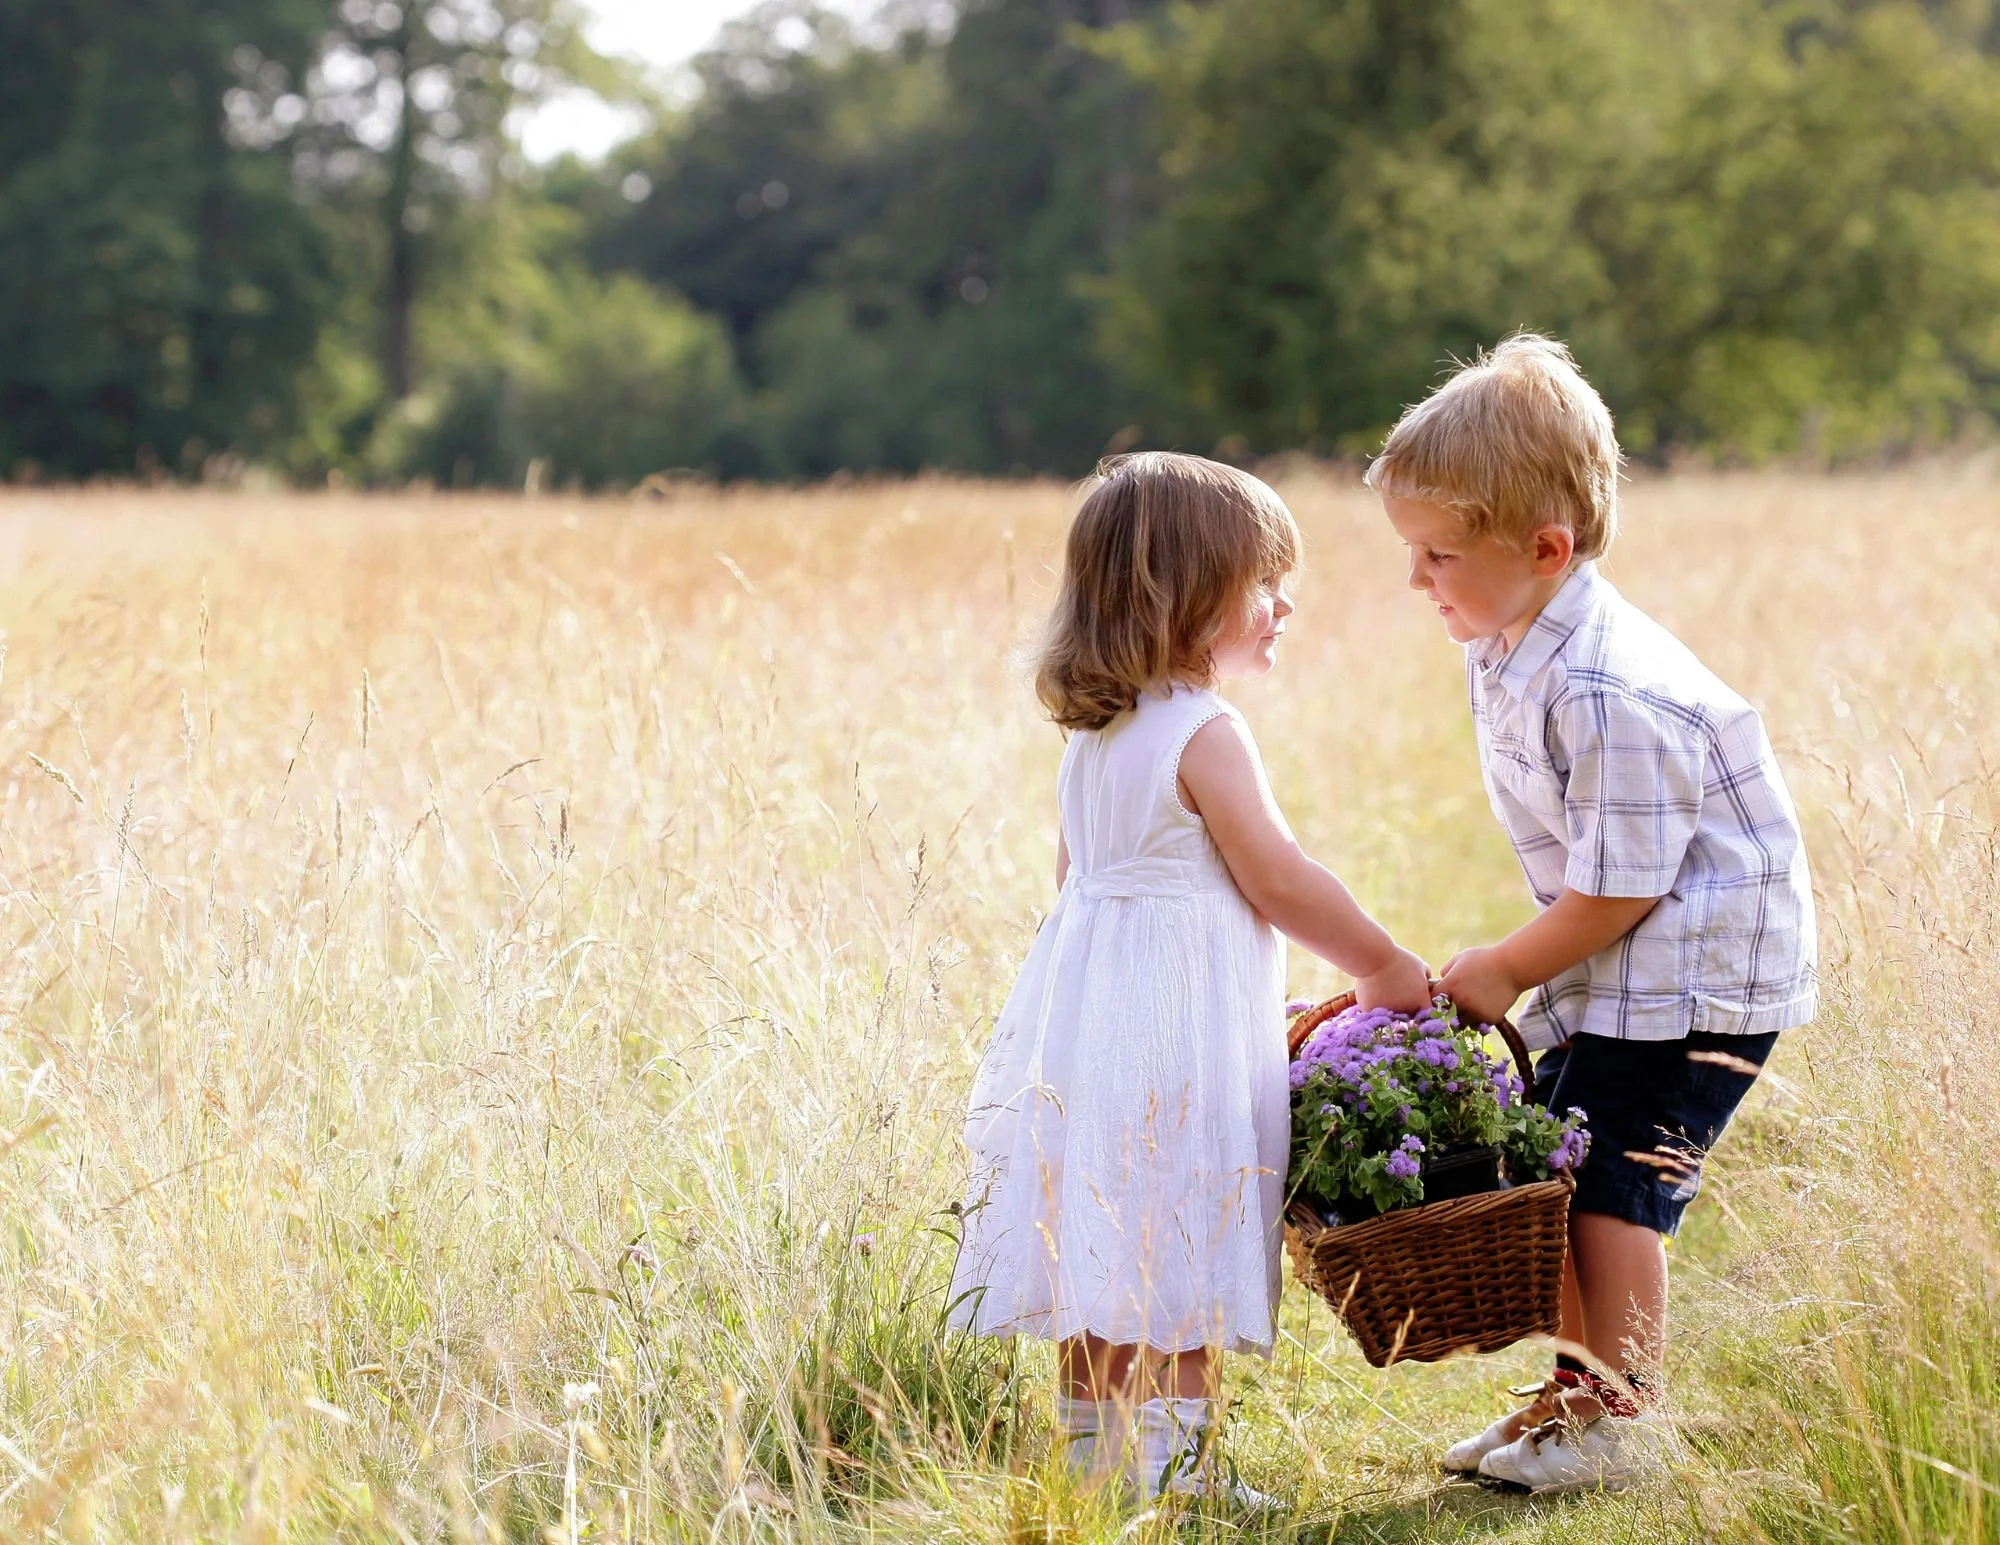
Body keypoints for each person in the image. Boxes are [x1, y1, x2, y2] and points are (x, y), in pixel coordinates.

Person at [1369, 335, 1817, 1494]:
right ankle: (1574, 1397)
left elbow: (1625, 883)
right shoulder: (1505, 641)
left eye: (1435, 554)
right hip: (1625, 968)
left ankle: (1620, 1419)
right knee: (1555, 1174)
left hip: (1695, 974)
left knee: (1612, 1189)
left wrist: (1506, 965)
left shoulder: (1604, 687)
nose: (1415, 579)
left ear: (1544, 549)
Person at [947, 451, 1432, 1504]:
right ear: (1186, 595)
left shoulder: (1095, 739)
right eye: (1264, 582)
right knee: (1180, 1227)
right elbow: (1279, 878)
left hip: (1093, 1032)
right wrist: (1381, 962)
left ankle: (1097, 1466)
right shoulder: (1205, 732)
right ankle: (1174, 1475)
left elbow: (1076, 886)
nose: (1284, 602)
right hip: (1178, 1037)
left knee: (1104, 1240)